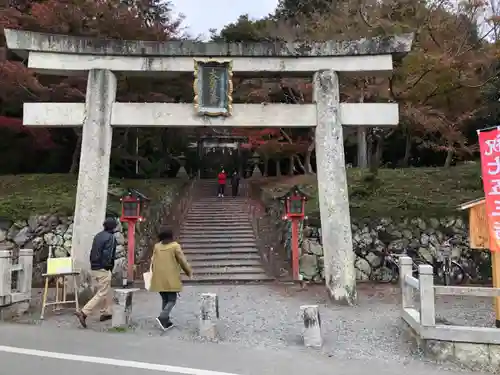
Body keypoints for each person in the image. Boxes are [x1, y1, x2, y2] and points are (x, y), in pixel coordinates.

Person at [75, 217, 117, 328]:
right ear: (114, 226)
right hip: (103, 268)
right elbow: (108, 255)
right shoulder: (111, 237)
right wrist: (108, 267)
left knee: (106, 289)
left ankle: (106, 312)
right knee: (102, 292)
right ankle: (84, 313)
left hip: (94, 267)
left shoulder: (98, 235)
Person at [150, 227, 192, 331]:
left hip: (158, 277)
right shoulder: (175, 246)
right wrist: (188, 272)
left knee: (165, 299)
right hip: (171, 278)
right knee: (172, 300)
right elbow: (182, 261)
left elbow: (153, 261)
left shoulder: (157, 246)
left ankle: (165, 322)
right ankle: (162, 317)